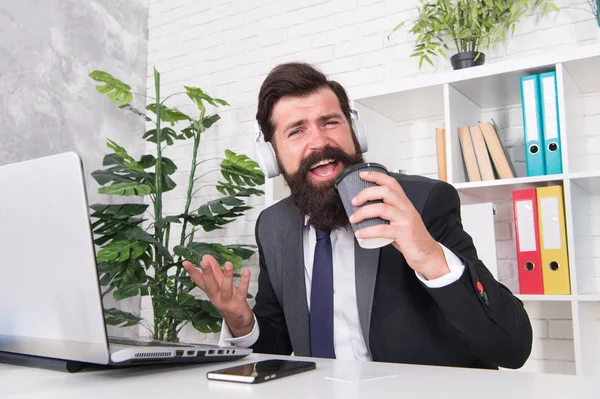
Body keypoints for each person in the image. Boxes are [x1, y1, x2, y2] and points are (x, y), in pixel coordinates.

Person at [183, 62, 533, 369]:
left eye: (329, 122)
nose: (319, 142)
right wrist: (242, 323)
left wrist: (428, 253)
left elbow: (512, 348)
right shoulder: (274, 226)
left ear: (355, 134)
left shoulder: (422, 202)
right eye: (296, 130)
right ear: (271, 157)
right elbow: (276, 346)